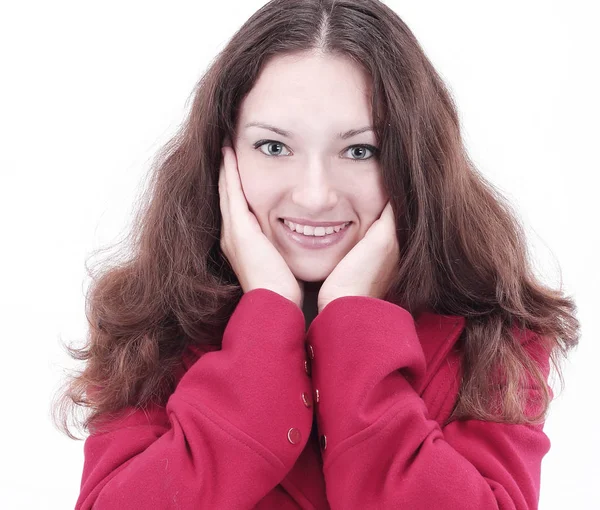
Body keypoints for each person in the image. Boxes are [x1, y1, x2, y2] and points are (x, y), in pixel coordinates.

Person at [52, 0, 580, 508]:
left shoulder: (495, 337)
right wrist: (268, 315)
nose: (314, 194)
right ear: (223, 157)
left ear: (414, 162)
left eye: (360, 150)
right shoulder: (150, 326)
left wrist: (353, 322)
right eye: (275, 147)